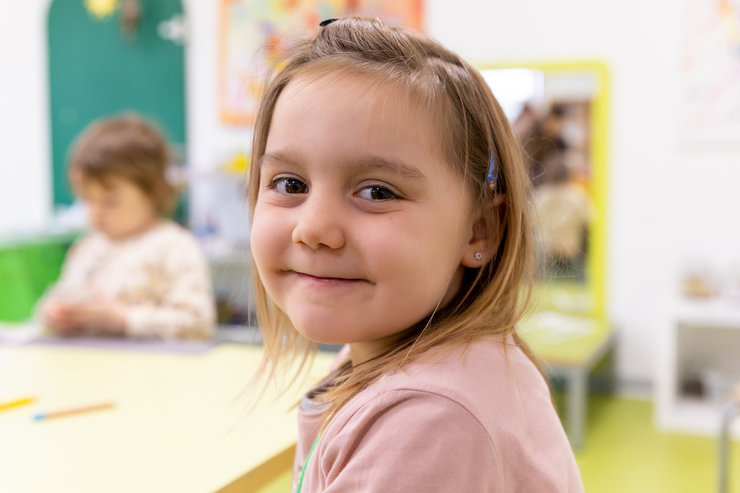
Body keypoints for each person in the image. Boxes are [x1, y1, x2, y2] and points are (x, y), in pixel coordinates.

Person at [247, 17, 584, 492]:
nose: (314, 229)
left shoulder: (430, 417)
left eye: (378, 192)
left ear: (479, 230)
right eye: (290, 184)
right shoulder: (382, 353)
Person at [39, 114, 215, 340]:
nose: (95, 213)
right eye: (88, 200)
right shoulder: (87, 245)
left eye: (110, 201)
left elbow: (198, 325)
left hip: (148, 370)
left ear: (153, 191)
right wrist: (53, 314)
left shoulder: (175, 246)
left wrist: (124, 319)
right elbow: (57, 297)